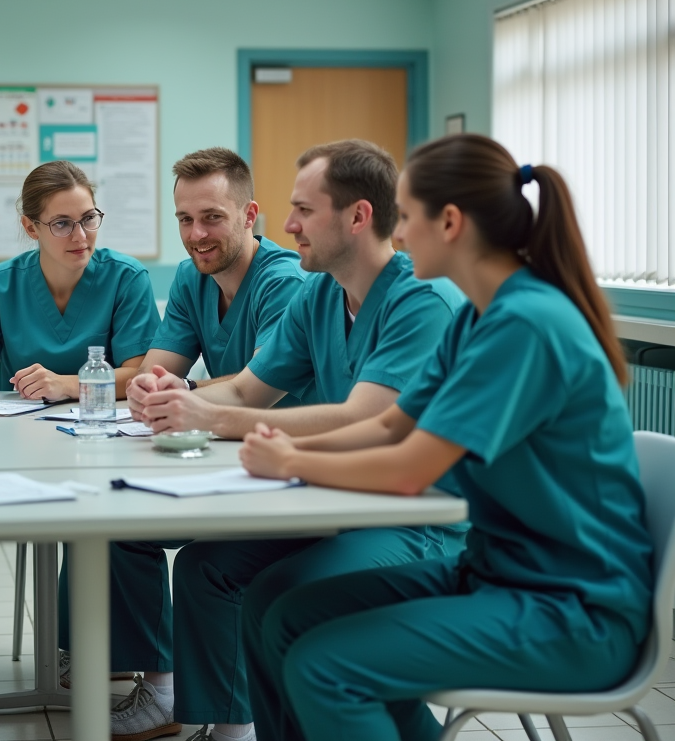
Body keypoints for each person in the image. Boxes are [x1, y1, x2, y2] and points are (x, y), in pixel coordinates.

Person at [241, 134, 652, 741]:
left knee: (328, 667)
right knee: (284, 616)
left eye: (406, 217)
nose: (398, 234)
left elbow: (409, 468)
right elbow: (386, 425)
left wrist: (291, 461)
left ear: (451, 222)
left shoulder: (526, 324)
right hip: (498, 573)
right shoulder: (477, 316)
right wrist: (279, 450)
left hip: (575, 613)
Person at [118, 140, 467, 741]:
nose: (287, 226)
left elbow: (368, 418)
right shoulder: (322, 293)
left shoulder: (421, 301)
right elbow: (250, 391)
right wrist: (177, 398)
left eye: (303, 209)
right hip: (337, 499)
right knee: (209, 567)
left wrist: (211, 416)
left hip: (415, 516)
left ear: (357, 217)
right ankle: (235, 729)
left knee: (287, 602)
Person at [96, 147, 310, 741]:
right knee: (117, 524)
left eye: (212, 217)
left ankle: (234, 724)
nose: (197, 234)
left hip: (276, 468)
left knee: (207, 566)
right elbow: (163, 368)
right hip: (219, 457)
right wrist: (146, 387)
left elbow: (256, 388)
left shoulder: (283, 282)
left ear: (250, 215)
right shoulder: (193, 278)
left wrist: (179, 390)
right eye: (185, 219)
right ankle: (164, 691)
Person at [0, 160, 159, 403]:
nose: (80, 236)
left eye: (88, 218)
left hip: (99, 427)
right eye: (62, 223)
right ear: (31, 228)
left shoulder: (126, 278)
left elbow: (139, 376)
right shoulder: (1, 285)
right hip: (22, 431)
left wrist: (66, 384)